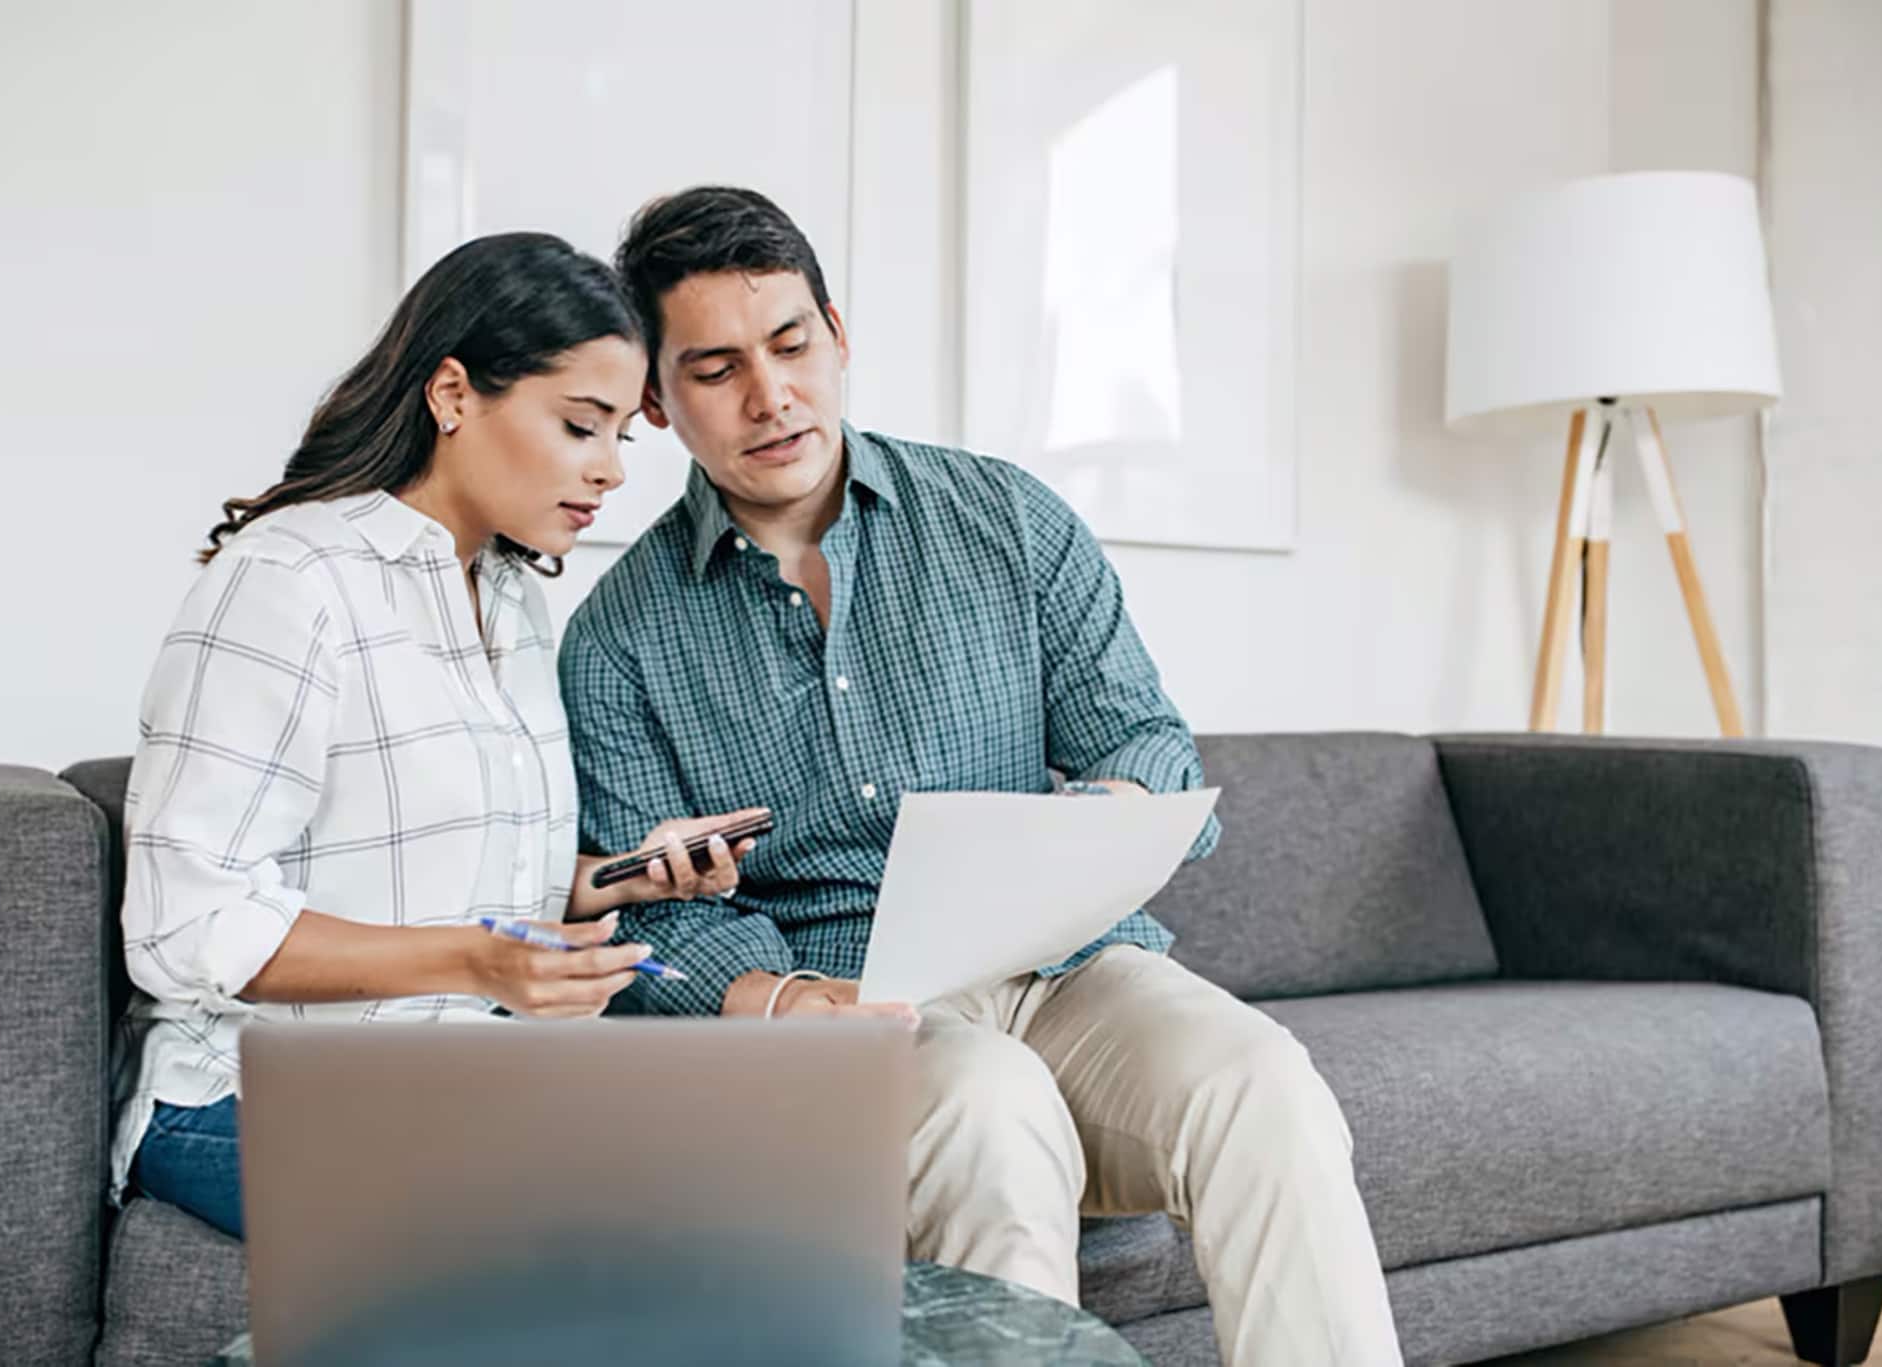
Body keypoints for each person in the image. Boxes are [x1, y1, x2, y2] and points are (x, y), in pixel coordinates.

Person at [559, 188, 1403, 1365]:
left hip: (1063, 969)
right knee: (989, 1106)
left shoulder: (1005, 518)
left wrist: (1096, 822)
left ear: (837, 334)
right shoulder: (616, 638)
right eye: (715, 368)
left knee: (1263, 1079)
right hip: (842, 1009)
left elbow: (1146, 744)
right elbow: (647, 944)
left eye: (792, 344)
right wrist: (758, 981)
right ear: (655, 398)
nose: (771, 396)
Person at [111, 232, 760, 1241]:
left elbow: (466, 889)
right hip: (248, 1094)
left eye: (620, 439)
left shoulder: (507, 598)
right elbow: (184, 924)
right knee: (598, 1235)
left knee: (758, 1176)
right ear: (453, 394)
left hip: (459, 1072)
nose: (608, 472)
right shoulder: (290, 582)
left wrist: (620, 877)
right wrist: (473, 963)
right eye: (580, 426)